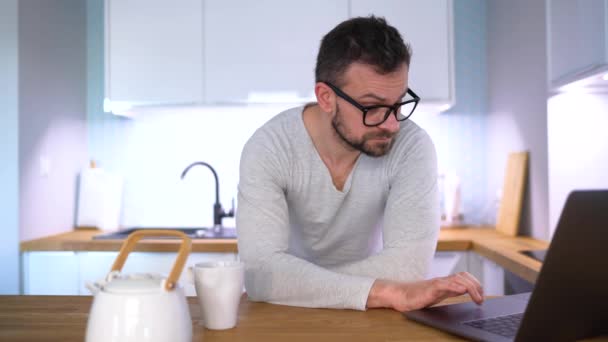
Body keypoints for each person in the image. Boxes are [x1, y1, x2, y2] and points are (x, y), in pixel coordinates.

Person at [236, 16, 484, 312]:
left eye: (398, 103)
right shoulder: (270, 147)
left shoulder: (412, 147)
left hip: (364, 310)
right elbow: (261, 272)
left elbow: (407, 268)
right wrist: (385, 290)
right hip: (290, 314)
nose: (392, 125)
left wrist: (290, 285)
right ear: (326, 98)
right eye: (374, 107)